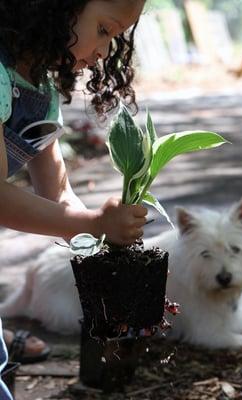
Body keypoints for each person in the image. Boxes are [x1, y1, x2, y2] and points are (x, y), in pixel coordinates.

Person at [0, 0, 146, 398]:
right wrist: (95, 224)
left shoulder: (42, 91)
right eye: (103, 30)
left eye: (113, 40)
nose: (103, 52)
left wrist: (105, 248)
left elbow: (58, 192)